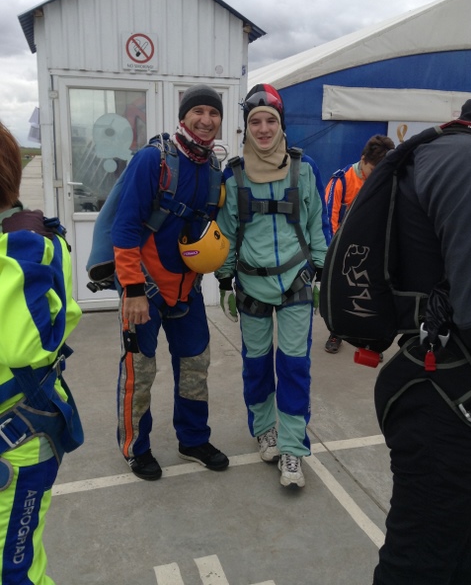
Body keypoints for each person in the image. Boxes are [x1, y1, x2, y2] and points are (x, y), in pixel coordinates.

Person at [373, 100, 471, 584]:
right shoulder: (466, 159)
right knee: (423, 560)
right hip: (446, 398)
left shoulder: (451, 149)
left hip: (443, 384)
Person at [111, 84, 229, 480]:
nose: (206, 120)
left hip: (186, 291)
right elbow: (125, 226)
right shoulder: (153, 159)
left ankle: (192, 440)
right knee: (140, 372)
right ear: (183, 116)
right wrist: (132, 289)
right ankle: (136, 448)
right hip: (144, 290)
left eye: (214, 113)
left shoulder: (213, 169)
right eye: (198, 111)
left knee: (196, 366)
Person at [215, 84, 329, 488]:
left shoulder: (304, 168)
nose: (263, 129)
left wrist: (322, 271)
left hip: (297, 282)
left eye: (270, 121)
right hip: (251, 286)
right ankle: (265, 430)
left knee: (295, 367)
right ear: (246, 128)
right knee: (257, 365)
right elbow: (226, 232)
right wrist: (225, 280)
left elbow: (317, 223)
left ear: (281, 125)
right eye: (255, 122)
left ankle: (293, 448)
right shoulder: (234, 175)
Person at [0, 122, 83, 583]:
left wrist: (20, 249)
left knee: (15, 574)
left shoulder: (28, 247)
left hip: (17, 442)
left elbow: (26, 344)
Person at [323, 134, 394, 353]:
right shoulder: (341, 181)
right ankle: (337, 333)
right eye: (373, 170)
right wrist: (332, 253)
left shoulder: (388, 180)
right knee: (342, 291)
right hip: (346, 250)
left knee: (376, 292)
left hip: (376, 247)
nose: (376, 176)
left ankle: (373, 340)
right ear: (363, 160)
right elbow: (328, 219)